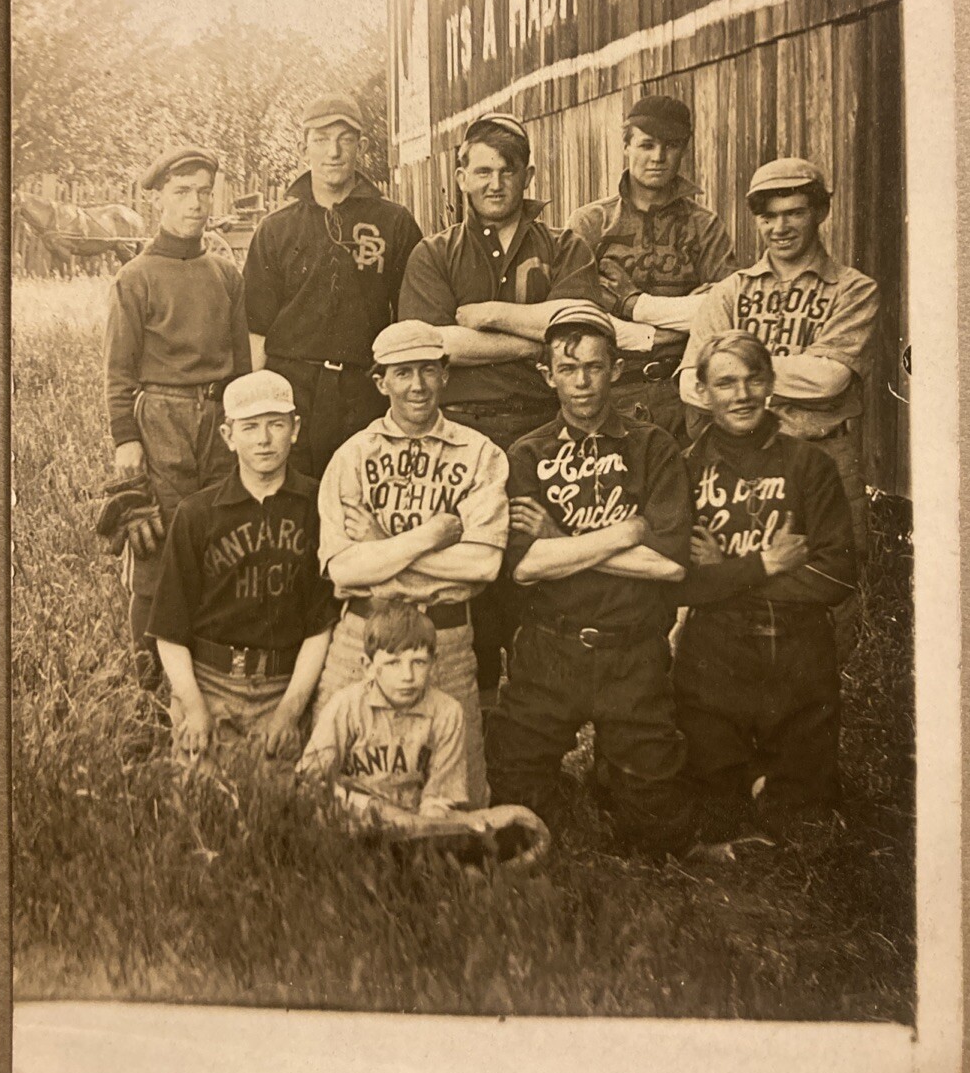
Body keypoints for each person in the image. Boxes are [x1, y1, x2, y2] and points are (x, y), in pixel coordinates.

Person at [397, 112, 604, 700]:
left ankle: (545, 718)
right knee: (474, 579)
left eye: (507, 170)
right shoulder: (434, 254)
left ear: (528, 175)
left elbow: (581, 329)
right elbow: (436, 344)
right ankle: (481, 710)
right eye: (481, 170)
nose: (494, 183)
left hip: (549, 432)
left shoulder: (565, 247)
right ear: (460, 176)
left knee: (547, 572)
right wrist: (538, 334)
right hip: (464, 434)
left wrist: (485, 316)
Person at [484, 303, 698, 854]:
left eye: (594, 367)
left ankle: (616, 776)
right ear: (547, 374)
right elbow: (525, 568)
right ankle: (584, 784)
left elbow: (671, 564)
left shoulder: (652, 447)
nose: (581, 382)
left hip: (632, 649)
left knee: (657, 832)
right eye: (568, 368)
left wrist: (560, 541)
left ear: (617, 369)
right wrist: (624, 534)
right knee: (514, 804)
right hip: (550, 647)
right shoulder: (527, 453)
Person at [313, 320, 510, 807]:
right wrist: (432, 537)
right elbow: (343, 570)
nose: (417, 385)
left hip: (444, 643)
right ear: (381, 382)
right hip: (363, 638)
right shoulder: (353, 456)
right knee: (328, 789)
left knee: (456, 797)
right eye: (402, 373)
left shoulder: (480, 454)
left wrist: (383, 546)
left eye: (427, 370)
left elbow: (483, 565)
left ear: (446, 375)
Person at [673, 331, 857, 841]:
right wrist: (768, 562)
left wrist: (729, 575)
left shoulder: (809, 465)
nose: (742, 394)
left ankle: (783, 781)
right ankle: (742, 777)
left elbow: (837, 575)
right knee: (714, 807)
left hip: (796, 649)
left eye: (754, 379)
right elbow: (680, 584)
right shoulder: (684, 470)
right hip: (715, 651)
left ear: (773, 384)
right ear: (703, 391)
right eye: (725, 382)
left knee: (804, 815)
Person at [677, 158, 880, 555]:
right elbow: (689, 383)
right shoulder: (730, 291)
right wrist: (793, 373)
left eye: (794, 213)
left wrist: (729, 374)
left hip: (824, 453)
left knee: (834, 587)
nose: (780, 228)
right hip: (739, 463)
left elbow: (831, 378)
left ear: (820, 212)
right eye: (769, 217)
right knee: (738, 582)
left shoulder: (853, 290)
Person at [102, 145, 250, 673]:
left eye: (204, 192)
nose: (195, 204)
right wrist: (127, 441)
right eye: (182, 192)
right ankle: (149, 681)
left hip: (219, 423)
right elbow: (119, 371)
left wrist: (242, 429)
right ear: (159, 198)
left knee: (218, 540)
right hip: (161, 419)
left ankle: (208, 671)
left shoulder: (225, 274)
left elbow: (241, 369)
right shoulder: (137, 276)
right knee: (156, 548)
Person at [147, 369, 336, 772]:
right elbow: (169, 629)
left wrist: (290, 711)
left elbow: (321, 625)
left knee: (285, 814)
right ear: (228, 437)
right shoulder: (197, 513)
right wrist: (194, 707)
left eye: (276, 425)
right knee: (204, 812)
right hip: (210, 682)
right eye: (250, 427)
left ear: (295, 429)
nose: (264, 439)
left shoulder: (318, 505)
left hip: (285, 686)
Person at [242, 93, 422, 478]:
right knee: (294, 503)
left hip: (364, 391)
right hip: (293, 390)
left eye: (345, 138)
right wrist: (258, 406)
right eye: (321, 139)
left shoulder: (394, 222)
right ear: (303, 146)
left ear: (362, 146)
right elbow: (256, 330)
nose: (333, 152)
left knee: (363, 500)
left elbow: (411, 323)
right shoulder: (275, 229)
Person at [298, 599, 551, 867]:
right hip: (357, 818)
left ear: (434, 662)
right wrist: (380, 813)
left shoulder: (446, 711)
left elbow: (439, 798)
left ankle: (426, 858)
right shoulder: (346, 705)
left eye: (418, 662)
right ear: (368, 666)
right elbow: (311, 780)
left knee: (521, 819)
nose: (407, 675)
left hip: (420, 821)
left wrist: (430, 822)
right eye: (393, 663)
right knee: (329, 820)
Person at [566, 94, 736, 442]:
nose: (658, 157)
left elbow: (726, 313)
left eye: (670, 145)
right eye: (646, 144)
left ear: (684, 149)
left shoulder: (705, 226)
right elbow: (577, 316)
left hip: (686, 393)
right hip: (613, 395)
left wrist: (630, 305)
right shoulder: (591, 224)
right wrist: (678, 322)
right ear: (626, 145)